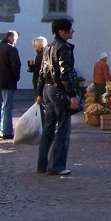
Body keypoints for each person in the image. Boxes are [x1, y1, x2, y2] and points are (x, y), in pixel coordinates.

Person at [37, 18, 80, 176]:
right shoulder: (63, 47)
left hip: (47, 89)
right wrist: (72, 94)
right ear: (62, 32)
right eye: (70, 29)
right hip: (58, 90)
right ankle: (56, 165)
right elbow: (65, 72)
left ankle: (42, 164)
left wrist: (39, 92)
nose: (73, 31)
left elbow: (42, 71)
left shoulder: (48, 47)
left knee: (48, 127)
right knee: (63, 128)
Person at [0, 30, 21, 140]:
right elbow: (15, 65)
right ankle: (7, 132)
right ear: (10, 37)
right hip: (8, 81)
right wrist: (16, 78)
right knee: (7, 107)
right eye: (15, 39)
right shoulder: (11, 49)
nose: (15, 42)